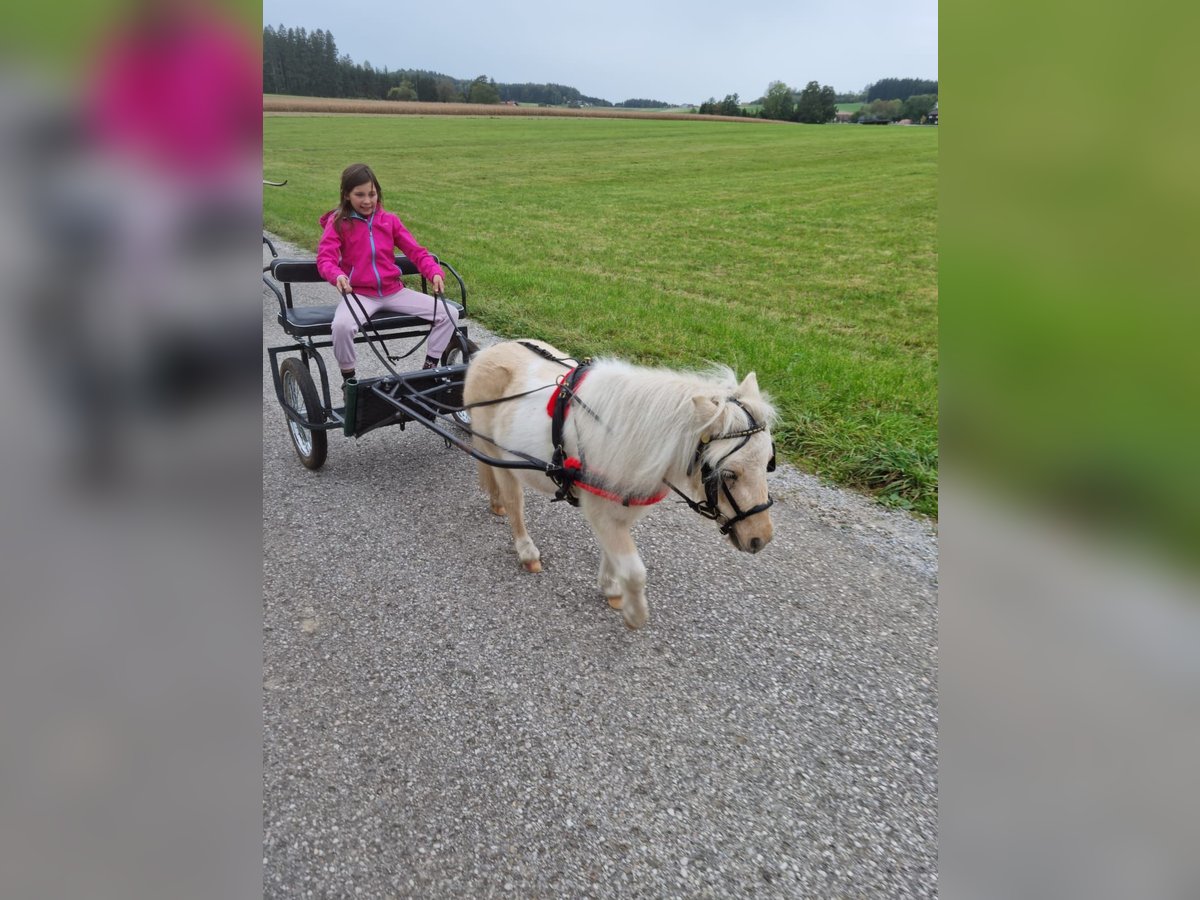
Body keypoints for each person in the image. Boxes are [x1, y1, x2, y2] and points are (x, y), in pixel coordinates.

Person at [316, 163, 459, 380]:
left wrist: (434, 272)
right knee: (342, 326)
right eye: (360, 195)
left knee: (449, 314)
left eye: (372, 194)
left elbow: (416, 251)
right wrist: (337, 275)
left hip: (394, 292)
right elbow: (325, 259)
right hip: (360, 294)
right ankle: (349, 381)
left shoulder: (389, 221)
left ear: (378, 193)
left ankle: (428, 371)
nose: (367, 201)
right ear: (346, 195)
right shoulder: (338, 223)